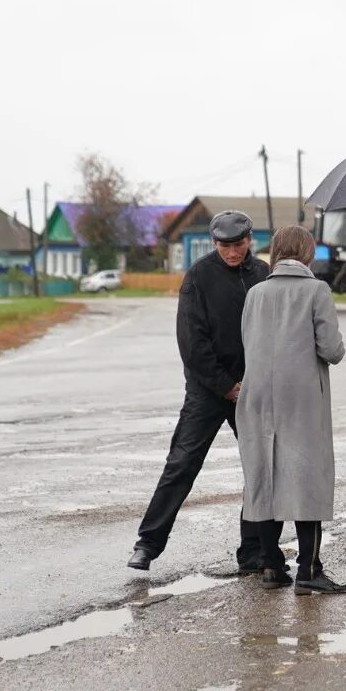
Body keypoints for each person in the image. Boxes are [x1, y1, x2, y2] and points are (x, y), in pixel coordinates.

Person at [128, 211, 268, 572]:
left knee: (259, 468)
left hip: (251, 389)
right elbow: (191, 343)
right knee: (182, 464)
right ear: (215, 243)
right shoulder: (199, 277)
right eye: (225, 246)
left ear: (250, 240)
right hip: (207, 389)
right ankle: (147, 544)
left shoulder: (263, 276)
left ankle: (252, 552)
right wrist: (226, 386)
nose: (233, 253)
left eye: (238, 245)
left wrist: (249, 385)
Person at [237, 225, 346, 592]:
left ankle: (271, 565)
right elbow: (332, 350)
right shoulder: (316, 290)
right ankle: (309, 570)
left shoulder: (255, 293)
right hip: (301, 397)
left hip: (257, 396)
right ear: (307, 253)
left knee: (266, 476)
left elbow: (247, 341)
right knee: (307, 479)